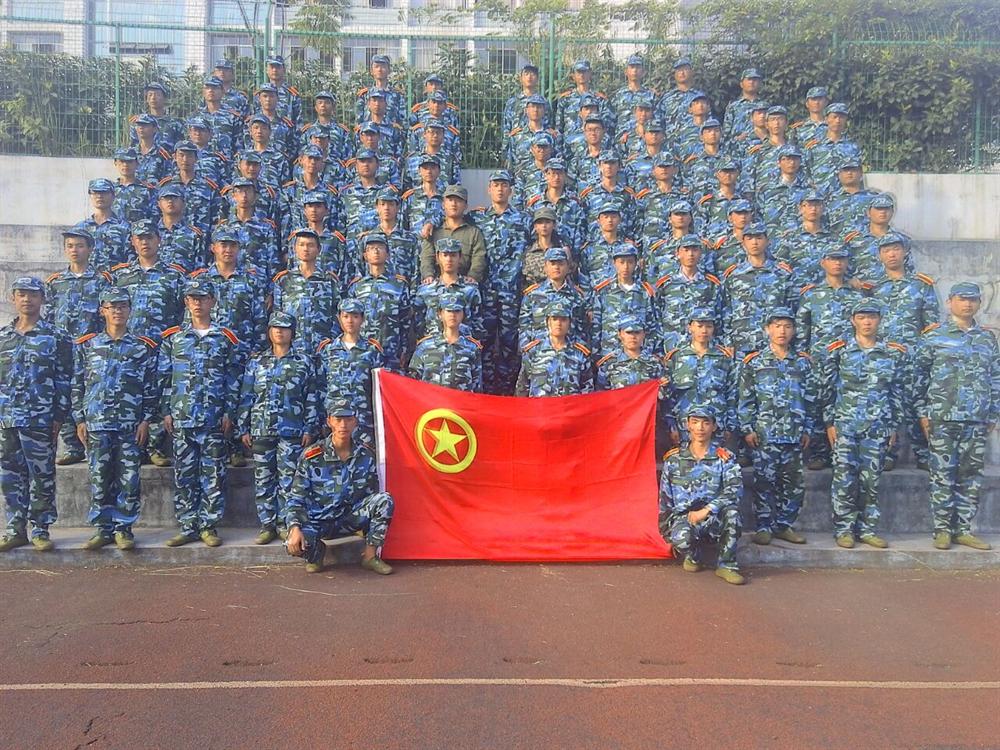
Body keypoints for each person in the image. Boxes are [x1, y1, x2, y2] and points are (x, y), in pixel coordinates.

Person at [914, 283, 999, 551]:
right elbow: (918, 378)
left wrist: (993, 413)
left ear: (979, 303)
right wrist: (923, 413)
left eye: (973, 300)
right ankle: (942, 529)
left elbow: (996, 378)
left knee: (971, 476)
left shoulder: (987, 339)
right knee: (942, 475)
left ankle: (962, 529)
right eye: (962, 299)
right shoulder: (933, 337)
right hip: (942, 417)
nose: (967, 304)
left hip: (976, 418)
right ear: (949, 302)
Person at [72, 288, 158, 551]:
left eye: (122, 306)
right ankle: (103, 528)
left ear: (130, 310)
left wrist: (145, 420)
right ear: (103, 311)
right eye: (112, 307)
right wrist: (80, 419)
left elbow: (150, 387)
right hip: (97, 422)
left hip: (129, 424)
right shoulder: (89, 346)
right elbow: (78, 384)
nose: (118, 311)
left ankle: (123, 529)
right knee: (99, 478)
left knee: (129, 479)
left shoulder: (141, 348)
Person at [159, 278, 241, 548]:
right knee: (184, 475)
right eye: (193, 298)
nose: (197, 303)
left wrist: (229, 411)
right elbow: (165, 377)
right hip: (182, 416)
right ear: (186, 302)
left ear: (212, 302)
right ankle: (188, 525)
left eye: (203, 298)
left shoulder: (225, 338)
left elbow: (233, 377)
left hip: (213, 417)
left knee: (213, 475)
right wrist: (166, 411)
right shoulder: (174, 338)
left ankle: (208, 525)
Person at [819, 300, 908, 549]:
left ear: (879, 319)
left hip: (877, 426)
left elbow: (896, 391)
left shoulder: (892, 353)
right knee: (844, 479)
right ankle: (844, 529)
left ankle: (868, 529)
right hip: (846, 425)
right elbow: (827, 389)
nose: (867, 322)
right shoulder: (839, 351)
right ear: (853, 320)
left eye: (872, 317)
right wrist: (829, 423)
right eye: (861, 317)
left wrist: (893, 426)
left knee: (872, 480)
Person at [0, 278, 73, 553]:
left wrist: (59, 416)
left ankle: (41, 529)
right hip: (8, 418)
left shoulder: (56, 337)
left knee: (42, 476)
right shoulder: (3, 337)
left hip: (40, 418)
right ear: (13, 298)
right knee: (10, 476)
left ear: (42, 299)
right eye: (21, 294)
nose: (26, 299)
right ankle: (15, 529)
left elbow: (64, 379)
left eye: (32, 294)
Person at [285, 398, 394, 575]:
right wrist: (294, 527)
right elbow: (296, 499)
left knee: (384, 500)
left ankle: (370, 557)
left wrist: (367, 529)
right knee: (292, 544)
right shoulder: (312, 456)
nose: (343, 425)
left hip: (349, 519)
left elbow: (371, 495)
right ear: (329, 421)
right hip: (319, 521)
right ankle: (316, 553)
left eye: (348, 419)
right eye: (338, 419)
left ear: (355, 422)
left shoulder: (365, 454)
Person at [238, 311, 320, 546]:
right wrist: (244, 427)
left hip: (292, 430)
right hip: (261, 428)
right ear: (269, 331)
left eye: (284, 328)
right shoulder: (257, 362)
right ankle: (267, 525)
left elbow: (311, 396)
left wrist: (309, 427)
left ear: (292, 332)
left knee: (289, 480)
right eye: (275, 327)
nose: (279, 332)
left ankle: (286, 524)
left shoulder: (303, 362)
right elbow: (247, 396)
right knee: (263, 479)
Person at [738, 308, 815, 545]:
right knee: (764, 482)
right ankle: (764, 526)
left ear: (794, 331)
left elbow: (811, 398)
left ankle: (784, 525)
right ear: (767, 329)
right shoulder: (754, 362)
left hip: (794, 433)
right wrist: (748, 428)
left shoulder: (802, 363)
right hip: (765, 434)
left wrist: (808, 428)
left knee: (793, 485)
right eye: (777, 326)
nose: (782, 331)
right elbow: (746, 399)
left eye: (787, 326)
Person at [658, 404, 745, 585]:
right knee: (681, 539)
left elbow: (734, 489)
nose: (700, 428)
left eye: (706, 423)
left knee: (732, 513)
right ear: (688, 425)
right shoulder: (674, 460)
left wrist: (707, 510)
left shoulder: (724, 457)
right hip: (687, 518)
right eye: (695, 422)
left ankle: (727, 565)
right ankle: (694, 555)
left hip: (714, 517)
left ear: (714, 426)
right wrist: (667, 533)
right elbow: (665, 499)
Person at [46, 226, 111, 465]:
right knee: (63, 392)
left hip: (92, 348)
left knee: (89, 391)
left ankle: (92, 441)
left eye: (80, 246)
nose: (75, 250)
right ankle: (72, 446)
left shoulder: (102, 281)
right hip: (64, 348)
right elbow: (49, 317)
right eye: (70, 246)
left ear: (90, 249)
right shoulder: (55, 282)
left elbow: (107, 316)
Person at [662, 309, 736, 446]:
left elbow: (732, 392)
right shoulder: (676, 357)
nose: (704, 331)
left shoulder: (723, 357)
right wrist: (671, 425)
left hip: (716, 424)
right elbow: (668, 395)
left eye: (709, 326)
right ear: (690, 327)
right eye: (699, 326)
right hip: (684, 425)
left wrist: (730, 425)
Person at [316, 299, 385, 445]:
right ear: (339, 318)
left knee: (364, 456)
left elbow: (380, 388)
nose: (350, 321)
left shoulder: (372, 350)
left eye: (355, 316)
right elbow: (319, 387)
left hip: (363, 420)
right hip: (335, 421)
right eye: (345, 316)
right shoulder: (327, 350)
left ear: (362, 319)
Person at [347, 233, 412, 371]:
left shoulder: (399, 285)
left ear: (387, 255)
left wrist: (404, 350)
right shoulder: (357, 286)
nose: (376, 251)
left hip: (391, 352)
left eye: (380, 248)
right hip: (362, 352)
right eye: (371, 248)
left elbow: (406, 321)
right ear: (365, 255)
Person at [515, 301, 593, 397]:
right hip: (540, 406)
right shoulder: (533, 352)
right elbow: (522, 388)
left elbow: (587, 391)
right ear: (548, 322)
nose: (559, 323)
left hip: (570, 406)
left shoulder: (580, 355)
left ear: (569, 323)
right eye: (554, 319)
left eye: (563, 319)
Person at [408, 293, 484, 392]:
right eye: (448, 311)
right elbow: (412, 383)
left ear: (463, 315)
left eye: (457, 311)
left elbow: (477, 387)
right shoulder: (425, 347)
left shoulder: (472, 348)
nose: (453, 315)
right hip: (431, 400)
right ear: (440, 314)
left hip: (460, 401)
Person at [419, 185, 487, 283]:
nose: (454, 204)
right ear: (443, 204)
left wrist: (473, 276)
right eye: (450, 200)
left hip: (464, 283)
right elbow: (427, 256)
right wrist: (428, 275)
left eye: (458, 201)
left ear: (466, 206)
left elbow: (479, 258)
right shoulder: (433, 231)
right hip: (437, 282)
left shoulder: (473, 233)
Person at [594, 316, 666, 392]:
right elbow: (601, 395)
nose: (633, 337)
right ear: (620, 334)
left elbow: (663, 395)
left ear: (644, 334)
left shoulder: (655, 363)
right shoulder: (608, 364)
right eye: (628, 332)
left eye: (637, 332)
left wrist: (664, 387)